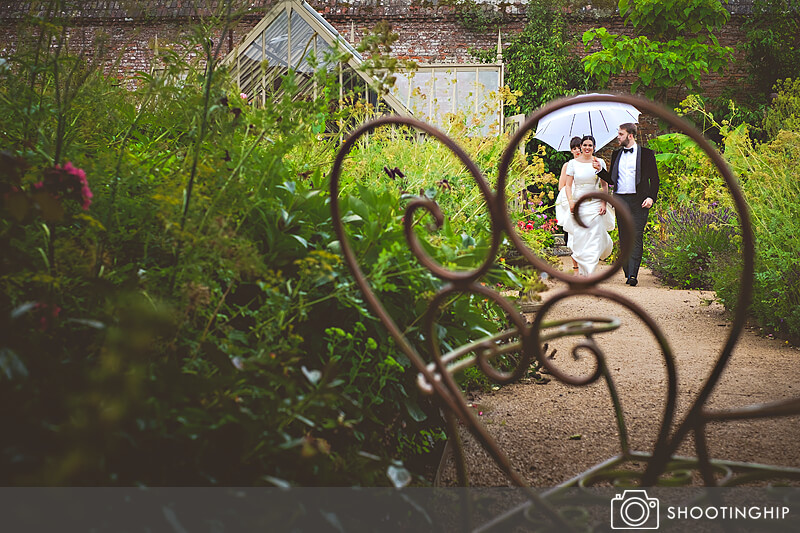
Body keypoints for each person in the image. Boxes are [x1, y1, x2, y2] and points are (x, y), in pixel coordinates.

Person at [597, 123, 660, 287]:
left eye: (620, 134)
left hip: (639, 201)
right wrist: (599, 171)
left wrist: (651, 198)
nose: (618, 137)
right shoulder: (616, 154)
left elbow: (655, 179)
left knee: (637, 236)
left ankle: (633, 275)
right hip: (620, 200)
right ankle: (627, 269)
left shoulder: (646, 154)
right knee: (624, 237)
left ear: (630, 135)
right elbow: (611, 180)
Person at [561, 135, 614, 276]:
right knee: (580, 237)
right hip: (579, 204)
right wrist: (571, 201)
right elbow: (568, 185)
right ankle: (582, 269)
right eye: (585, 145)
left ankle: (589, 271)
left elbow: (605, 185)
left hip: (595, 204)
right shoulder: (573, 163)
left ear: (594, 147)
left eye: (590, 145)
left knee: (595, 237)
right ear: (580, 147)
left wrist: (604, 203)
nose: (587, 148)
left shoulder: (599, 162)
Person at [555, 136, 582, 271]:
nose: (577, 150)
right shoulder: (567, 165)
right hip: (570, 200)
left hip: (586, 200)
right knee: (572, 234)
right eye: (574, 148)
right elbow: (562, 186)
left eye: (579, 147)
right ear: (571, 150)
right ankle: (575, 265)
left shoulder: (590, 163)